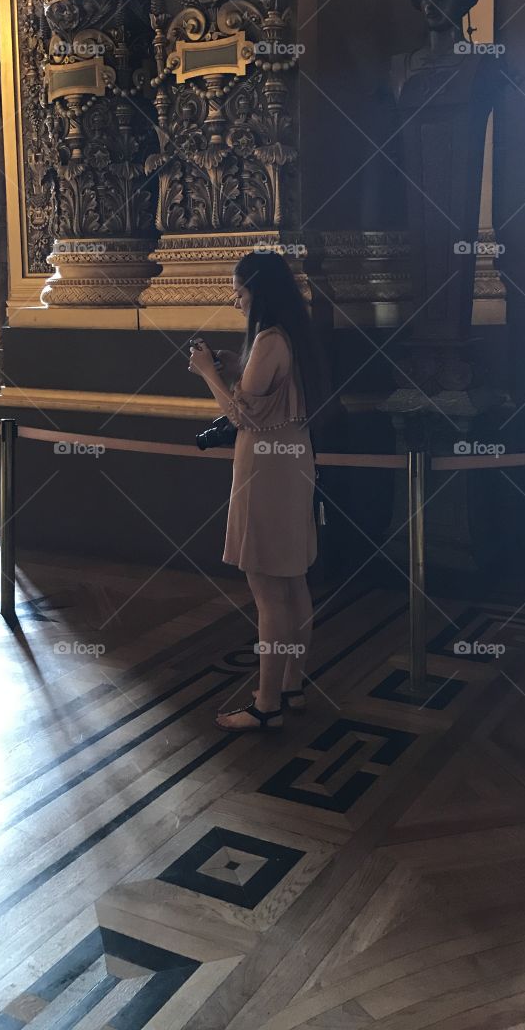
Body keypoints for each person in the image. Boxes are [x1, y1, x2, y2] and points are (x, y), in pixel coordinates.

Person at [188, 250, 322, 733]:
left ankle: (266, 704)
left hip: (266, 465)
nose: (236, 299)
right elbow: (267, 393)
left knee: (267, 587)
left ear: (257, 291)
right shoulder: (290, 336)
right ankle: (291, 685)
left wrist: (207, 371)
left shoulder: (268, 340)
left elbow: (241, 415)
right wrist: (233, 364)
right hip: (293, 458)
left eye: (240, 290)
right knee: (293, 580)